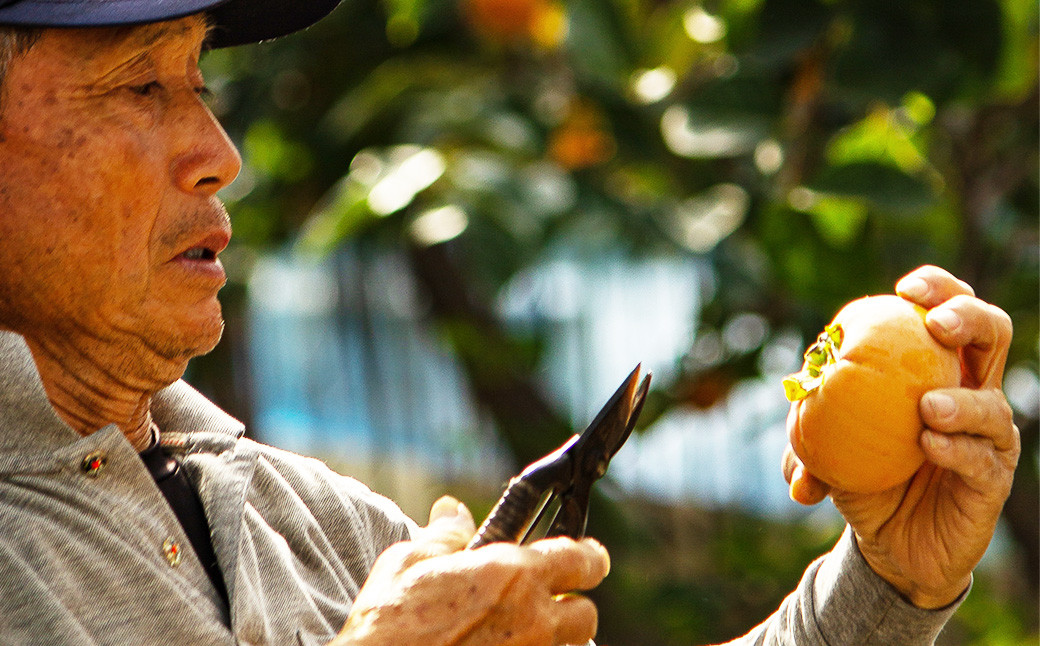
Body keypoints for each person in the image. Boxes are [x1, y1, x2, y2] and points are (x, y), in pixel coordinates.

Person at [0, 2, 1019, 645]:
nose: (218, 148)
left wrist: (883, 581)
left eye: (198, 81)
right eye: (140, 81)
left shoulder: (307, 518)